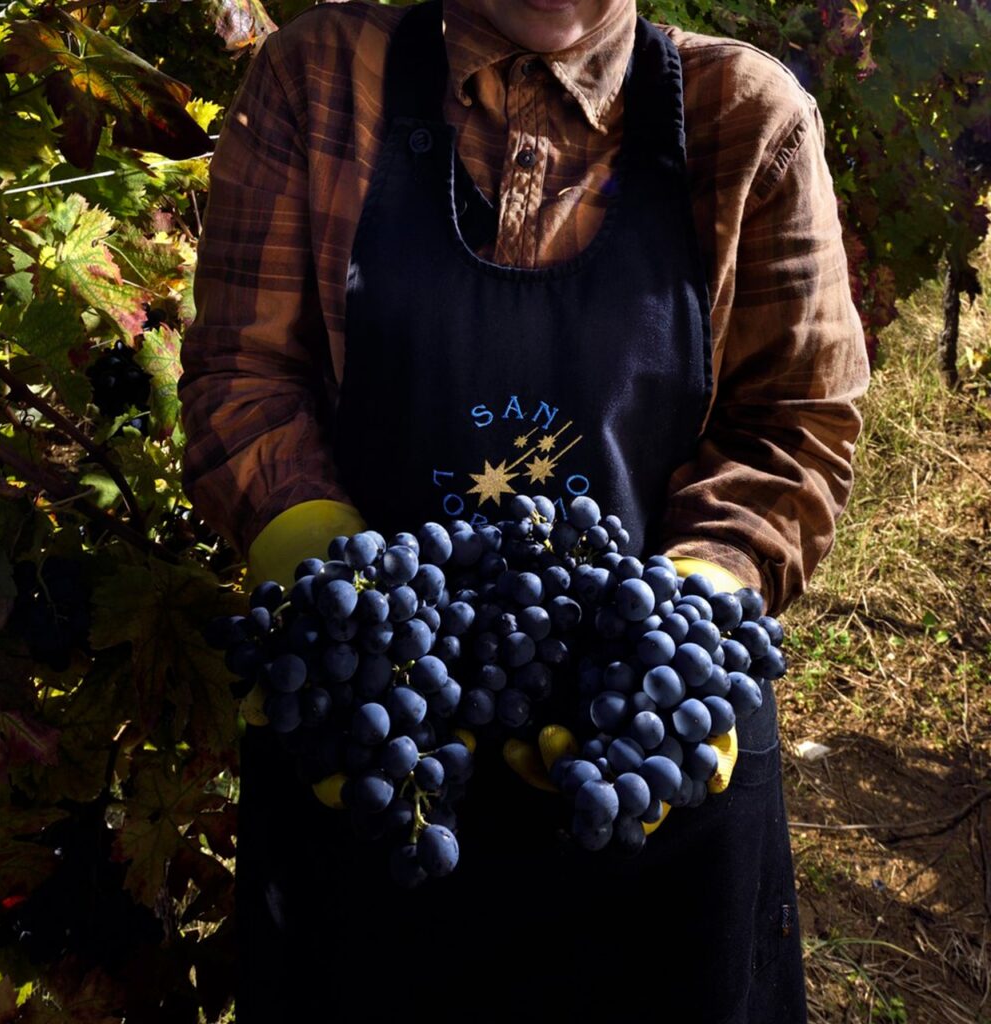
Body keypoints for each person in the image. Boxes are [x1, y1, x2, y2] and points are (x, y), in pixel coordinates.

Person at [179, 0, 870, 1020]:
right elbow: (244, 377)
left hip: (649, 782)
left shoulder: (745, 118)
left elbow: (793, 424)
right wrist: (324, 572)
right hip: (380, 767)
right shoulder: (317, 80)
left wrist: (700, 595)